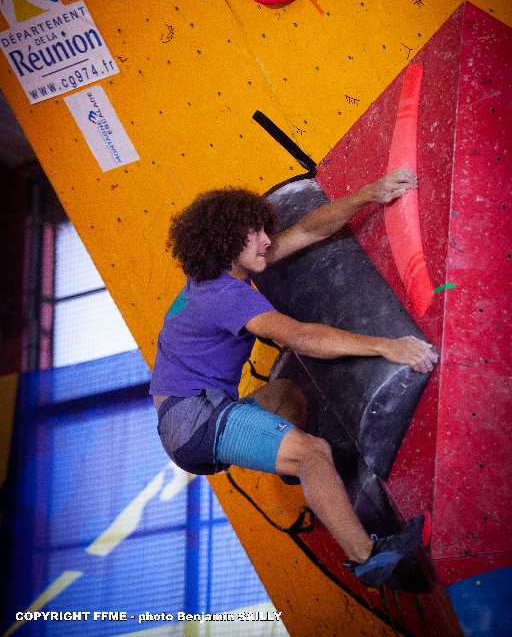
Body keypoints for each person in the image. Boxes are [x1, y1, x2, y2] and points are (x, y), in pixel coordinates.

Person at [150, 169, 438, 587]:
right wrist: (386, 346)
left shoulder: (220, 274)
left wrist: (368, 193)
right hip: (194, 421)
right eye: (255, 234)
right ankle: (369, 559)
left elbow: (307, 230)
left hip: (192, 414)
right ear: (227, 242)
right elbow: (300, 337)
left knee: (288, 395)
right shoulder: (224, 297)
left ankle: (296, 468)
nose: (266, 240)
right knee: (312, 452)